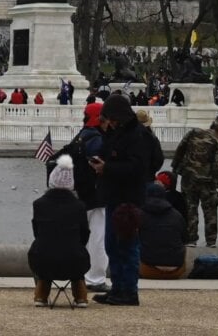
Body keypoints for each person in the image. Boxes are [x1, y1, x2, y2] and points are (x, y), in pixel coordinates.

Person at [87, 94, 156, 306]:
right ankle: (117, 288)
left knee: (126, 245)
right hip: (114, 195)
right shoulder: (117, 133)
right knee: (112, 245)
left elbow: (137, 167)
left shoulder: (138, 135)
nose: (109, 123)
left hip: (129, 197)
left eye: (110, 118)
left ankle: (129, 291)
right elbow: (110, 154)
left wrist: (107, 167)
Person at [58, 100, 108, 291]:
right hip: (95, 195)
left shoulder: (80, 137)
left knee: (84, 238)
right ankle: (95, 278)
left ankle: (81, 275)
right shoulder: (96, 139)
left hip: (81, 194)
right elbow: (96, 162)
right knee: (98, 238)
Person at [27, 155, 89, 307]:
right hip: (74, 262)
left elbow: (37, 232)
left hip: (44, 261)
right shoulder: (79, 206)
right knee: (76, 252)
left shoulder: (39, 204)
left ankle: (41, 295)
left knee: (42, 251)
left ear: (52, 180)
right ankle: (80, 296)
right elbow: (84, 235)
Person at [172, 117, 218, 246]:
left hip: (188, 178)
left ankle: (191, 240)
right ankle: (211, 241)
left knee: (190, 210)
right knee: (210, 212)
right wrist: (215, 186)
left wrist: (175, 169)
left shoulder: (193, 133)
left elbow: (180, 150)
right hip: (207, 183)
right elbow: (217, 167)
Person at [138, 182, 188, 278]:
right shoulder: (177, 215)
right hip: (176, 271)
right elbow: (185, 239)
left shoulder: (140, 214)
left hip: (147, 270)